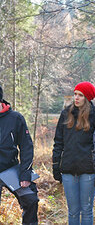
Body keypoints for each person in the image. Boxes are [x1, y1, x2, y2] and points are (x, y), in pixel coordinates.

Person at [52, 81, 95, 225]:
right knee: (72, 210)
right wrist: (55, 165)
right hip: (68, 169)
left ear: (88, 97)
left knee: (86, 210)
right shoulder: (65, 114)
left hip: (88, 170)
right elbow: (58, 142)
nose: (76, 98)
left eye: (80, 95)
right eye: (75, 94)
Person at [0, 85, 39, 225]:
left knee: (31, 199)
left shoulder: (15, 118)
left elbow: (26, 147)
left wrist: (25, 173)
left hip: (11, 169)